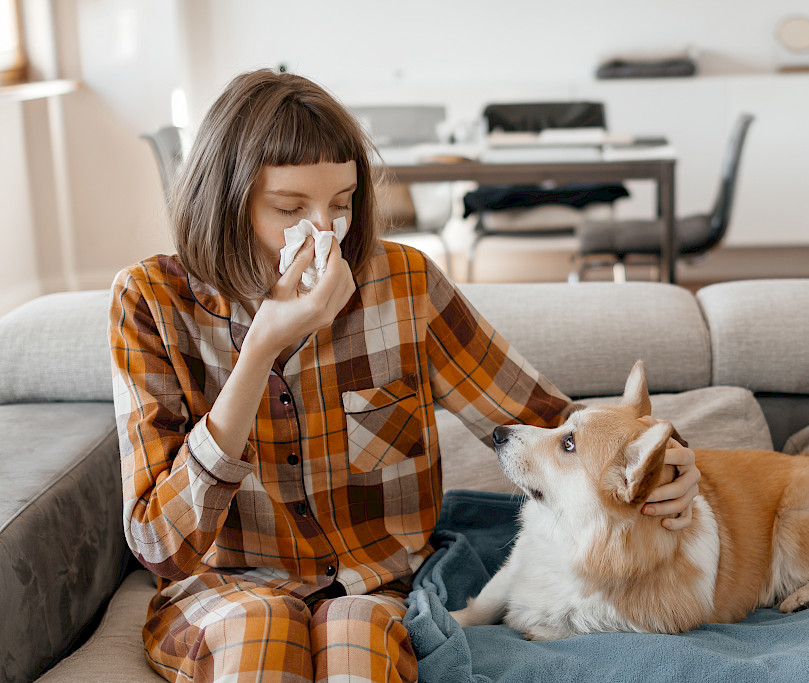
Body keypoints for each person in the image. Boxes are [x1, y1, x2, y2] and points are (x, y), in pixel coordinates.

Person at [109, 68, 701, 683]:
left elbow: (545, 424)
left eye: (341, 204)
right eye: (289, 208)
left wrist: (669, 464)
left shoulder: (404, 285)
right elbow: (159, 542)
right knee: (260, 631)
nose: (324, 232)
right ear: (226, 203)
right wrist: (261, 350)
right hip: (226, 588)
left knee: (354, 632)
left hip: (374, 585)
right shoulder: (149, 302)